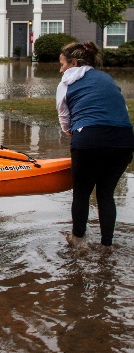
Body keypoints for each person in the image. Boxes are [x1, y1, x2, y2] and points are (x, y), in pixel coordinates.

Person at [56, 41, 134, 249]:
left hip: (89, 139)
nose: (60, 69)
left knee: (81, 194)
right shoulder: (107, 78)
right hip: (124, 141)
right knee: (106, 195)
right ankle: (106, 246)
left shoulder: (66, 82)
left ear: (73, 63)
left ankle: (77, 243)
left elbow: (65, 121)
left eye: (62, 64)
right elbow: (121, 110)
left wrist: (80, 137)